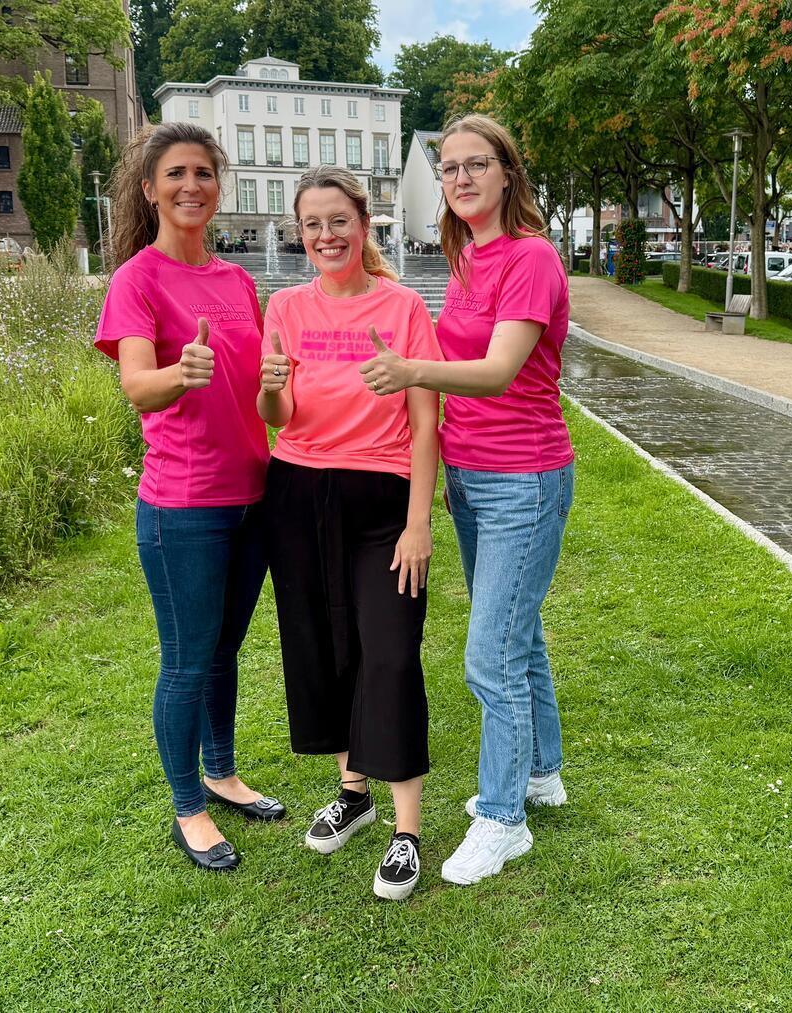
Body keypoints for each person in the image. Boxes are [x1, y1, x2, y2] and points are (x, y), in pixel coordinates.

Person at [358, 114, 574, 886]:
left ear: (508, 173)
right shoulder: (468, 258)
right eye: (447, 168)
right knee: (522, 637)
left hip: (525, 477)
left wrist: (413, 371)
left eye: (475, 165)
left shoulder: (531, 258)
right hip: (474, 479)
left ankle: (502, 818)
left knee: (491, 657)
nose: (459, 179)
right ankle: (541, 773)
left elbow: (497, 370)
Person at [93, 123, 284, 873]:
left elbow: (266, 387)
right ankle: (188, 806)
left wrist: (278, 385)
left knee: (224, 649)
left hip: (254, 494)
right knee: (186, 659)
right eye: (175, 173)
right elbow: (136, 383)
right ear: (150, 189)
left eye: (204, 172)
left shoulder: (237, 283)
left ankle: (221, 768)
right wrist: (182, 371)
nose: (191, 185)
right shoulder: (136, 279)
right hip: (183, 504)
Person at [258, 165, 441, 901]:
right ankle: (352, 789)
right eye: (312, 225)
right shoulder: (286, 306)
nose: (326, 235)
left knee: (390, 651)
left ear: (364, 225)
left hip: (382, 496)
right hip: (298, 491)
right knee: (323, 646)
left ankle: (407, 831)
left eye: (339, 221)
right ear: (299, 233)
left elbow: (427, 420)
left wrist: (419, 521)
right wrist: (271, 383)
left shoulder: (402, 309)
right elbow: (277, 416)